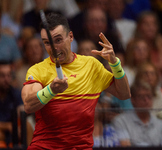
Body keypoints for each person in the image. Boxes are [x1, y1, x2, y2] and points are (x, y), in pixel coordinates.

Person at [21, 12, 130, 149]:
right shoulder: (37, 70)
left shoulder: (91, 65)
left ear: (70, 37)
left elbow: (124, 94)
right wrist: (51, 90)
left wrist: (115, 63)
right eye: (47, 43)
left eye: (58, 40)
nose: (54, 48)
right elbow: (28, 105)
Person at [112, 81, 162, 147]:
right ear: (133, 100)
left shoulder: (160, 124)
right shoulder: (121, 121)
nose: (146, 100)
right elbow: (125, 147)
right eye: (141, 96)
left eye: (149, 96)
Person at [0, 61, 33, 147]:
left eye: (9, 75)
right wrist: (7, 126)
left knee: (27, 126)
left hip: (14, 130)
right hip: (3, 130)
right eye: (2, 76)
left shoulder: (15, 93)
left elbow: (22, 110)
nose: (6, 79)